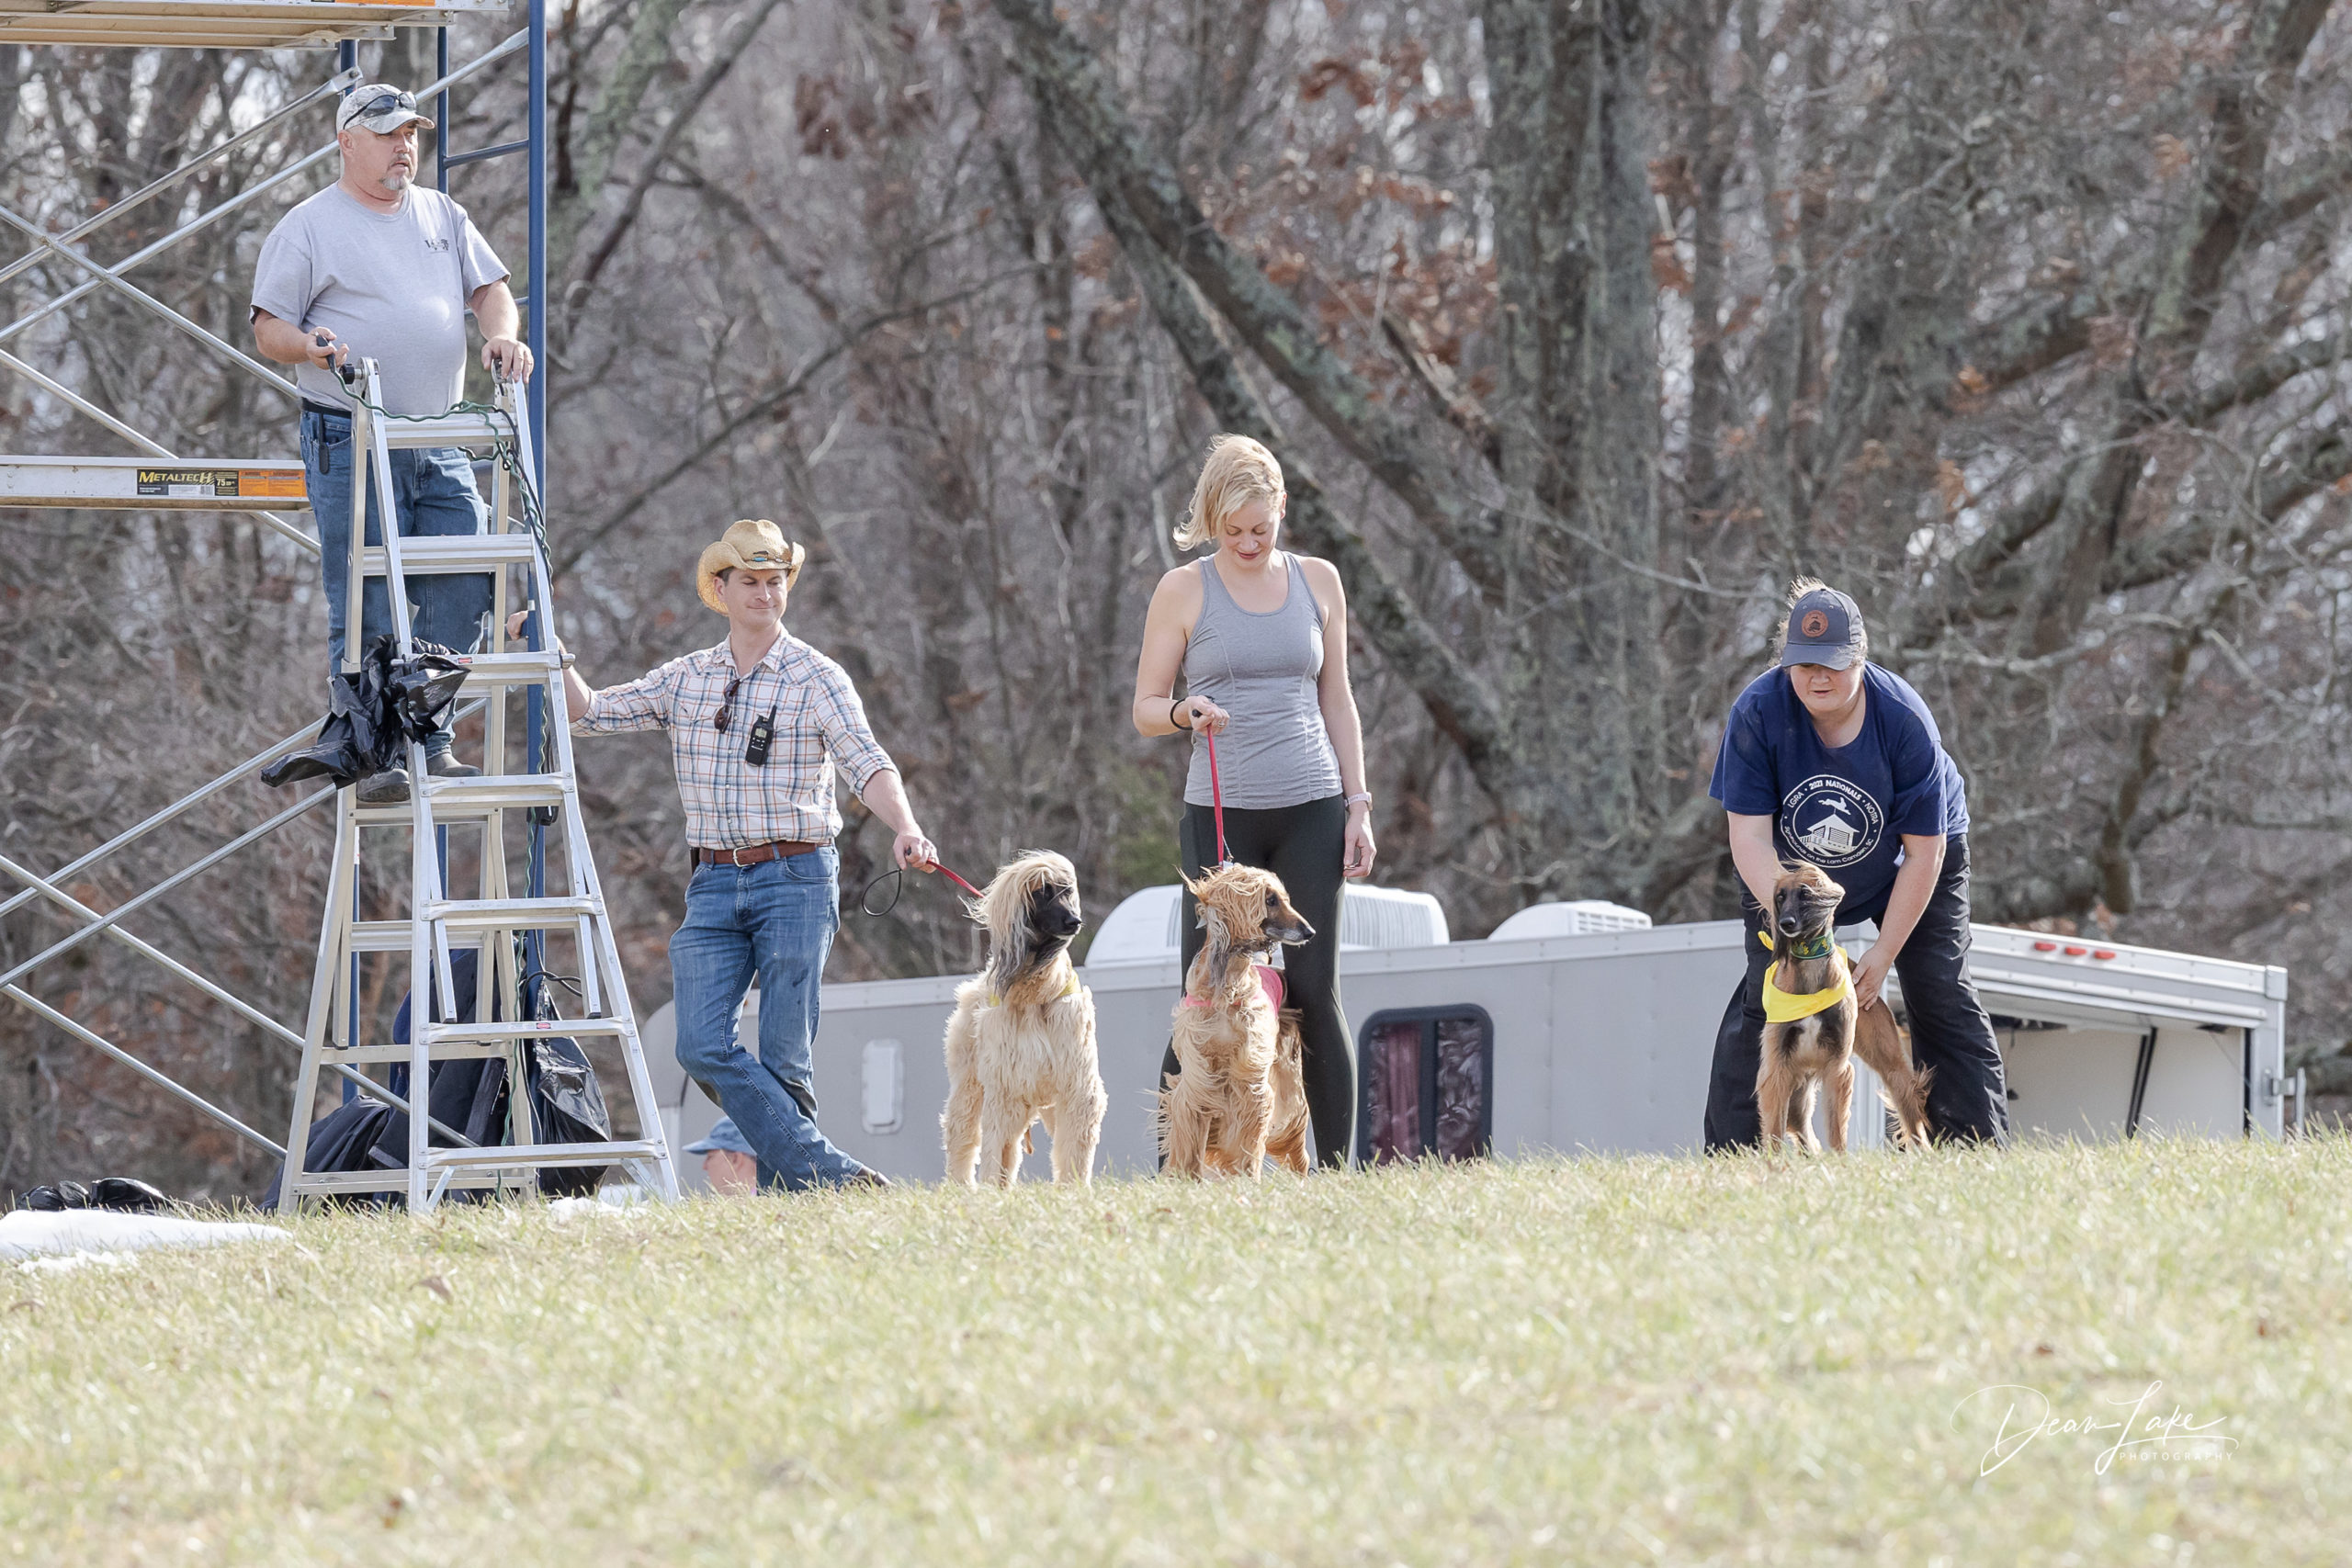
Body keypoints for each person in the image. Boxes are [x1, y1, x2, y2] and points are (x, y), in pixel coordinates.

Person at [540, 518, 934, 1191]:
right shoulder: (687, 678)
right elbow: (591, 711)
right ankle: (828, 1173)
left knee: (785, 1055)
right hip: (715, 881)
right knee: (698, 1042)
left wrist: (905, 824)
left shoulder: (819, 676)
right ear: (720, 590)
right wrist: (551, 649)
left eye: (775, 580)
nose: (764, 593)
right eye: (749, 581)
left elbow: (867, 762)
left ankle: (795, 1198)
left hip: (797, 872)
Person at [251, 83, 534, 805]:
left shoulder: (443, 213)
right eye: (387, 133)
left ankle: (429, 735)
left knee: (464, 574)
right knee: (369, 594)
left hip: (439, 434)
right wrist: (310, 347)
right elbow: (268, 328)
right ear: (347, 142)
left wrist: (502, 334)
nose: (405, 145)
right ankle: (378, 753)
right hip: (351, 435)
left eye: (411, 132)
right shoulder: (310, 226)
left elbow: (492, 288)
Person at [1131, 434, 1376, 1168]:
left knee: (1312, 988)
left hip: (1311, 802)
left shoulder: (1319, 581)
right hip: (1221, 810)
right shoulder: (1184, 589)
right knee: (1204, 990)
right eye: (1233, 529)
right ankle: (1179, 1171)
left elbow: (1339, 696)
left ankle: (1333, 1173)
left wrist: (1357, 803)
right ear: (1212, 518)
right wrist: (1184, 712)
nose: (1246, 542)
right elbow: (1145, 706)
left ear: (1281, 513)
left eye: (1260, 529)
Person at [1703, 580, 2010, 1149]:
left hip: (1906, 864)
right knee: (1763, 995)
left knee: (1939, 987)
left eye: (1835, 665)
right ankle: (1738, 1155)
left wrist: (1883, 952)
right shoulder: (1757, 712)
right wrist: (1790, 908)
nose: (1819, 678)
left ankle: (1973, 1149)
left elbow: (1926, 853)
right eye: (1804, 665)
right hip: (1795, 879)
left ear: (1862, 659)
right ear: (1786, 664)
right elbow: (1746, 834)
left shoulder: (1904, 720)